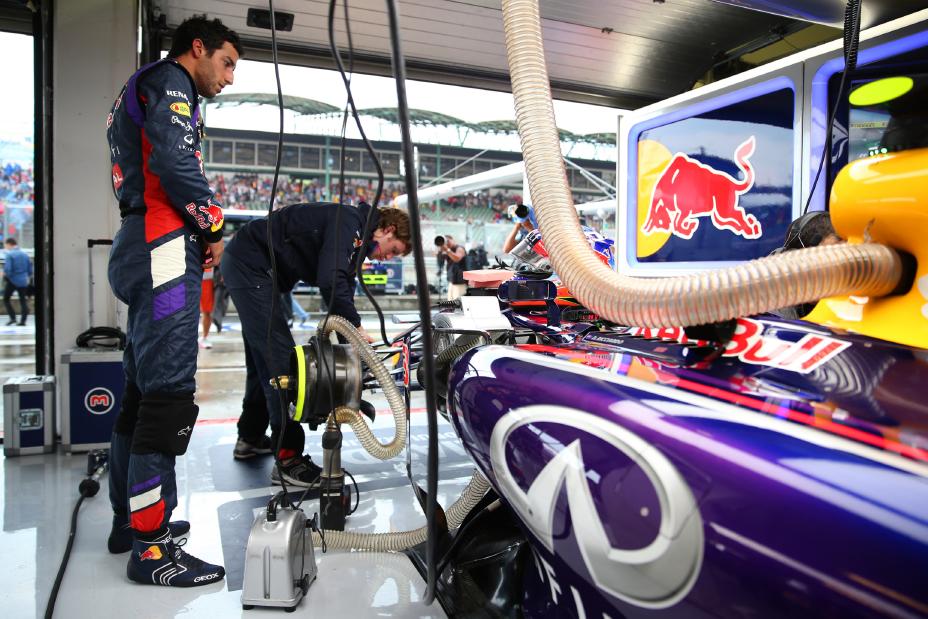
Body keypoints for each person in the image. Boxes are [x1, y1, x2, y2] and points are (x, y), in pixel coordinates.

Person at [104, 15, 241, 587]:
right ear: (198, 48)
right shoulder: (170, 83)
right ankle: (153, 549)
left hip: (141, 243)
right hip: (163, 248)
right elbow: (174, 163)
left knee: (140, 394)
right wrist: (213, 227)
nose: (229, 78)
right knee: (166, 400)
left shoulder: (144, 86)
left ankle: (129, 521)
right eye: (227, 63)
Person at [222, 202, 410, 486]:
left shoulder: (356, 239)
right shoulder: (349, 223)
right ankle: (288, 459)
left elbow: (340, 287)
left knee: (263, 360)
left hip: (253, 268)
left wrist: (353, 344)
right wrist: (356, 328)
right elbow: (330, 280)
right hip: (252, 267)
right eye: (393, 250)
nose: (386, 258)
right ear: (387, 229)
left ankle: (249, 437)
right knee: (285, 367)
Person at [2, 238, 31, 326]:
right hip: (23, 281)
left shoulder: (10, 255)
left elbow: (8, 269)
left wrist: (6, 275)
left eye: (6, 245)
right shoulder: (25, 255)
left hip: (13, 280)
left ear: (9, 244)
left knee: (6, 298)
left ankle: (13, 317)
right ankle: (23, 320)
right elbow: (29, 270)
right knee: (23, 300)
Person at [436, 234, 467, 300]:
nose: (447, 243)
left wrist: (447, 250)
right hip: (452, 281)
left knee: (459, 303)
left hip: (460, 282)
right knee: (451, 304)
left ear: (453, 240)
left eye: (448, 241)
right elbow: (440, 262)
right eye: (445, 241)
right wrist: (440, 251)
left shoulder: (459, 248)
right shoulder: (448, 250)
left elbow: (457, 258)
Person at [199, 268, 214, 349]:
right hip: (203, 277)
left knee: (207, 310)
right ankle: (204, 337)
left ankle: (205, 337)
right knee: (206, 310)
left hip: (209, 278)